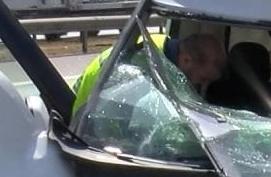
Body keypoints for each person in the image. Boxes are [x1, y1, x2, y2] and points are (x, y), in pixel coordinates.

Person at [71, 32, 227, 116]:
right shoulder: (143, 65)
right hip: (83, 122)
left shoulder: (163, 49)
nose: (200, 86)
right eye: (202, 79)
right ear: (186, 60)